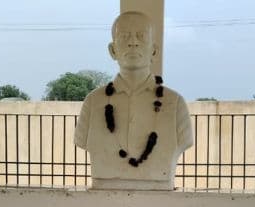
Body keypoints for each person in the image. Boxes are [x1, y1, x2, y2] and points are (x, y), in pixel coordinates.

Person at [73, 11, 193, 190]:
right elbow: (81, 140)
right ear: (113, 50)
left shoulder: (175, 105)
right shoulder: (93, 102)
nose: (133, 42)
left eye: (141, 36)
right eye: (124, 36)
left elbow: (185, 140)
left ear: (154, 50)